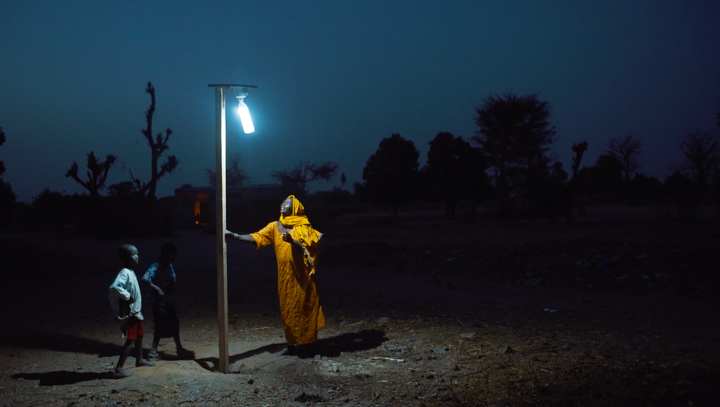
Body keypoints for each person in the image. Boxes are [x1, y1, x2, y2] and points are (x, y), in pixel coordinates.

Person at [226, 195, 325, 355]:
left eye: (288, 203)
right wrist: (235, 236)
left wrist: (293, 242)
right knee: (287, 309)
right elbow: (258, 237)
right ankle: (292, 343)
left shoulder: (304, 227)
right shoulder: (274, 226)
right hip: (285, 277)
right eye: (283, 202)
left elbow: (312, 249)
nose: (283, 204)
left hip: (303, 278)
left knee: (304, 308)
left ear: (295, 208)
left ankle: (307, 344)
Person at [109, 244, 155, 378]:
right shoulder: (124, 273)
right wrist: (127, 296)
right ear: (124, 258)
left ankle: (139, 359)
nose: (136, 257)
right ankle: (119, 368)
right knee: (131, 339)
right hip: (131, 313)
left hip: (135, 312)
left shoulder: (130, 271)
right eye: (133, 255)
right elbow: (114, 287)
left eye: (137, 254)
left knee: (139, 336)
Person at [141, 242, 193, 360]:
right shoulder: (156, 266)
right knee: (161, 325)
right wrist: (157, 288)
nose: (173, 258)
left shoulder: (169, 266)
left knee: (173, 322)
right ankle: (153, 351)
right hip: (157, 302)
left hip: (165, 301)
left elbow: (172, 281)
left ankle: (178, 348)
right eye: (171, 256)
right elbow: (145, 280)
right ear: (164, 254)